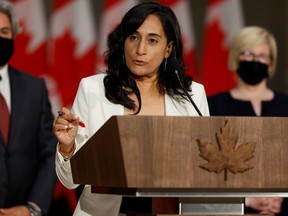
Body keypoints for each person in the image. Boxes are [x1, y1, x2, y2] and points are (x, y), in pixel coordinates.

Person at [53, 2, 209, 215]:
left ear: (168, 49)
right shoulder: (92, 89)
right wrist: (67, 149)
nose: (140, 49)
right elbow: (71, 181)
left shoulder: (191, 95)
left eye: (152, 40)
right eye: (133, 37)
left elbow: (204, 168)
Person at [208, 26, 288, 215]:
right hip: (233, 210)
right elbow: (207, 169)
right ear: (236, 57)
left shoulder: (286, 105)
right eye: (248, 53)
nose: (255, 60)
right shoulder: (213, 106)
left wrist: (280, 199)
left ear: (271, 63)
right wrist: (247, 199)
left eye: (262, 56)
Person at [0, 1, 57, 216]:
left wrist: (32, 208)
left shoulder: (35, 88)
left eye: (4, 31)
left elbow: (50, 152)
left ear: (14, 35)